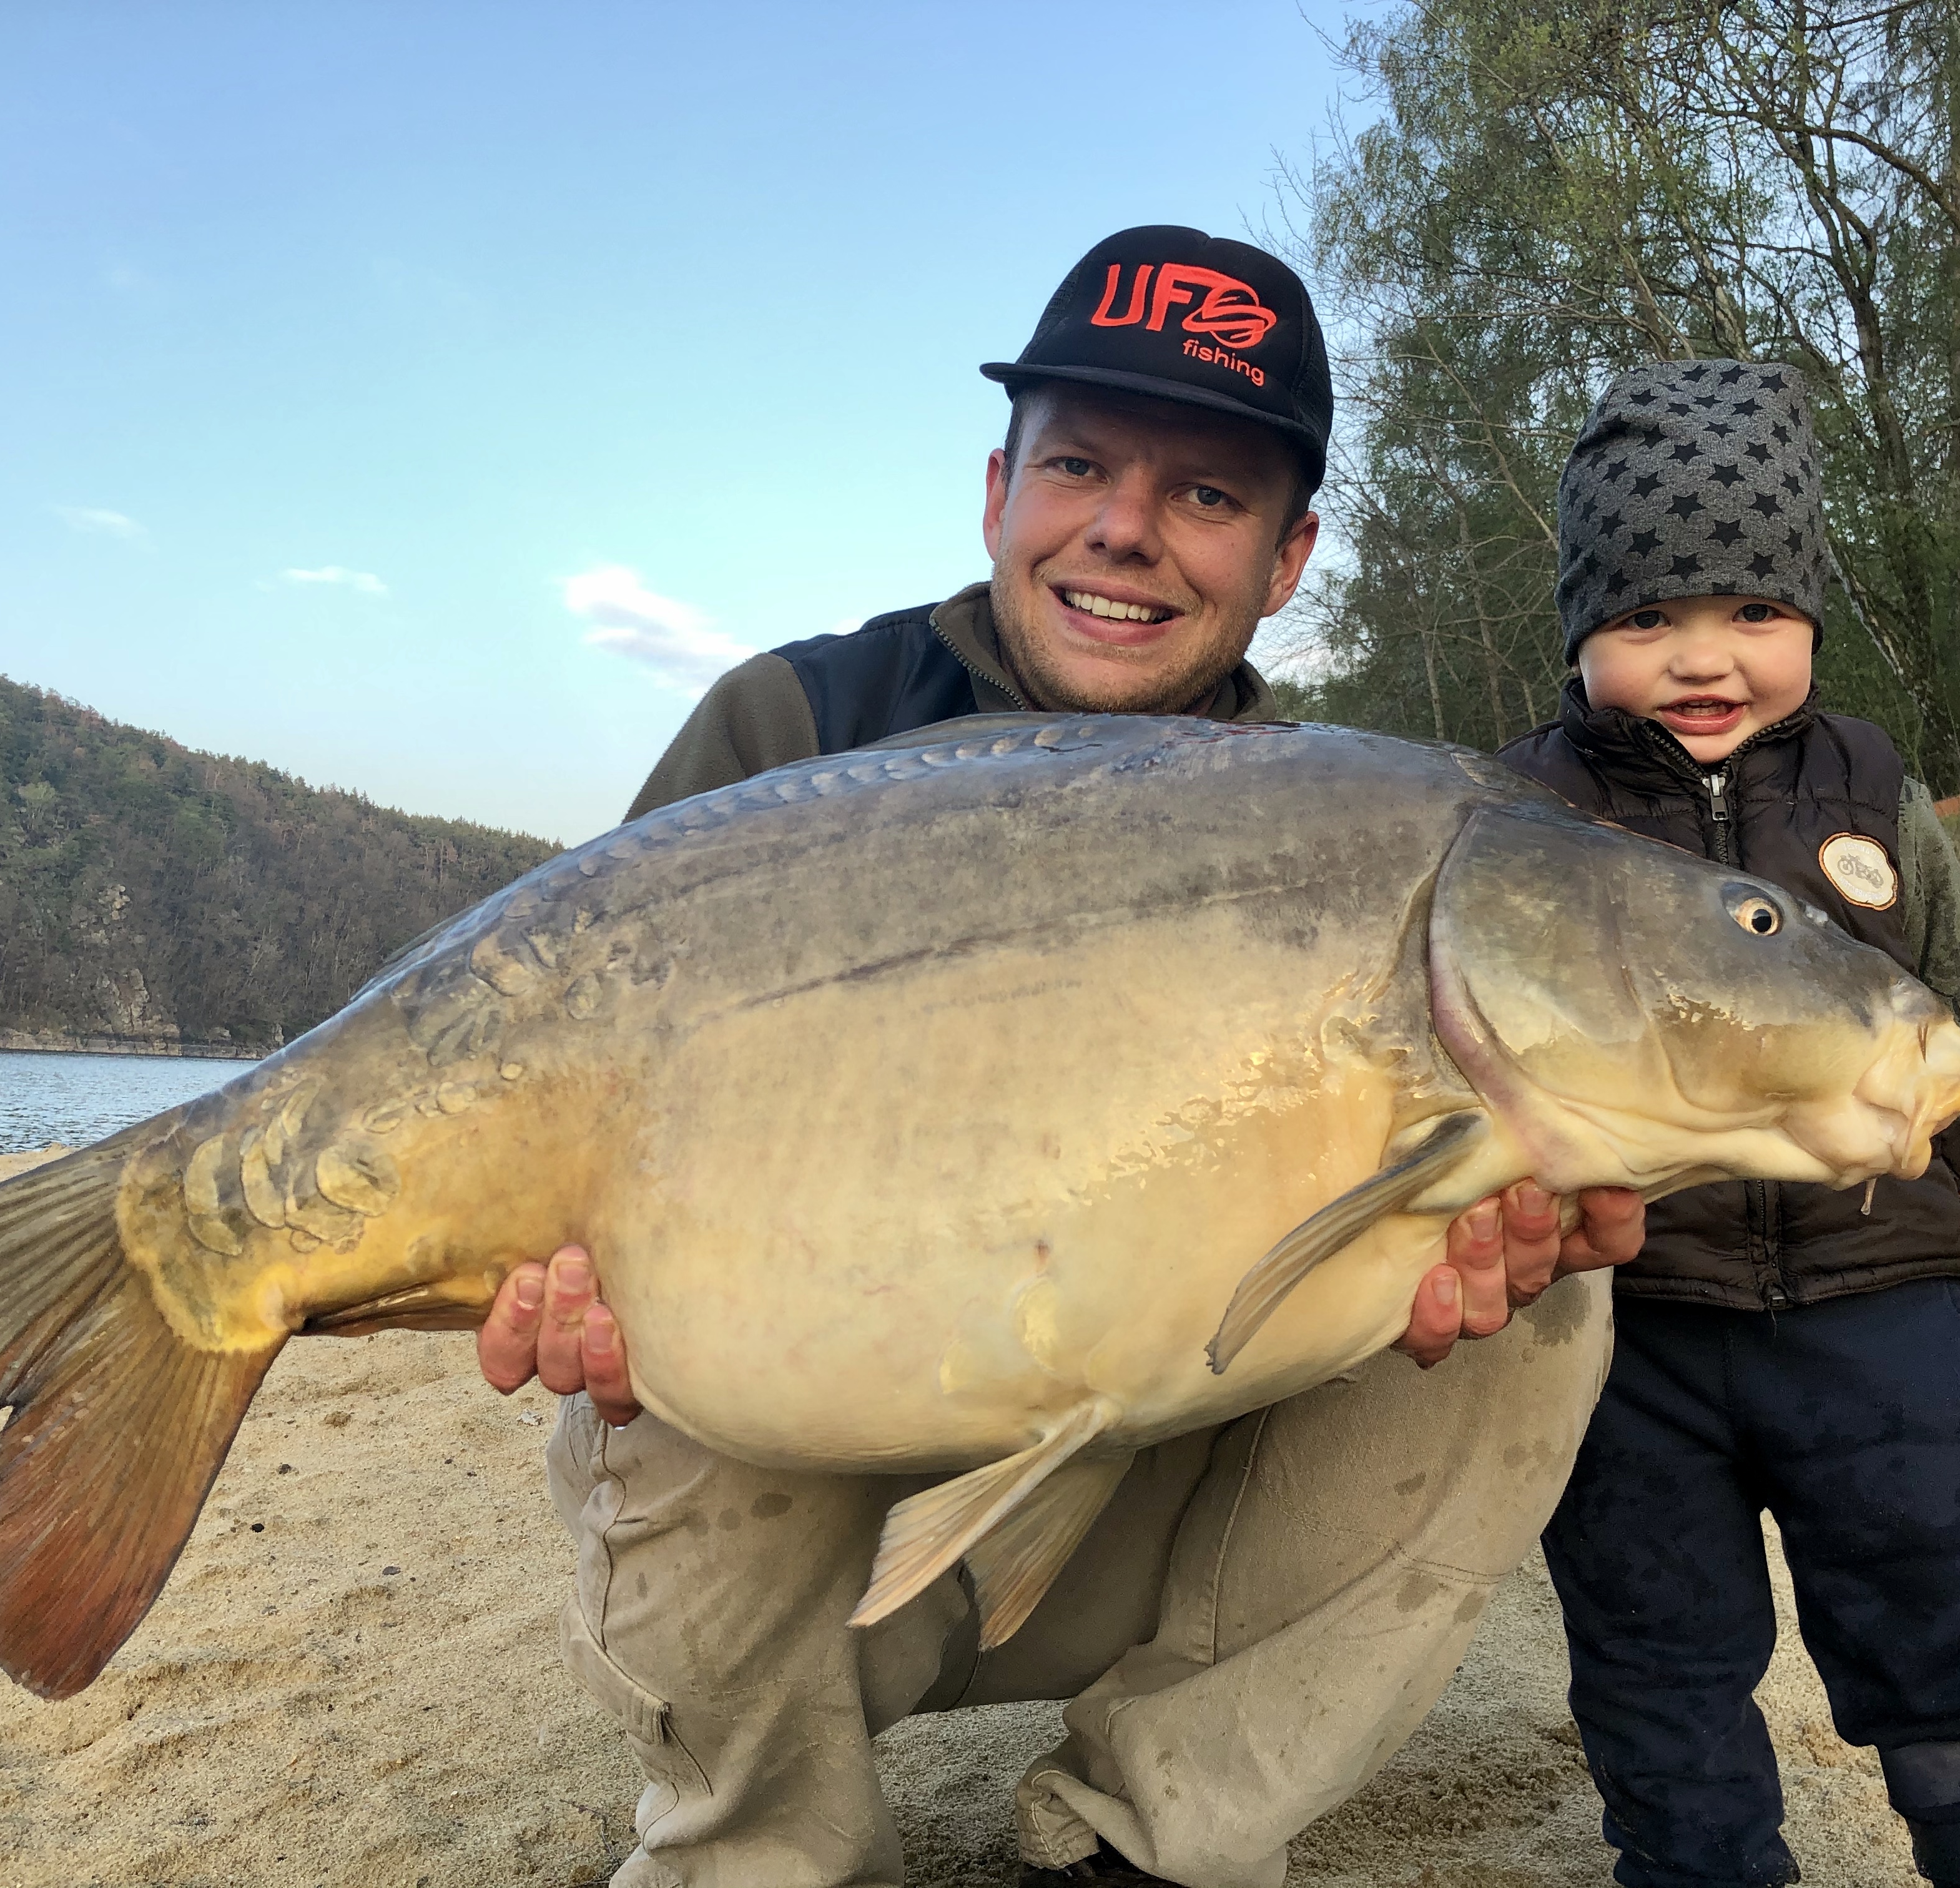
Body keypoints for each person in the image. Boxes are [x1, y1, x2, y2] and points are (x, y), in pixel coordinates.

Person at [474, 226, 1645, 1888]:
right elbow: (562, 1097)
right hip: (807, 1490)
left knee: (1531, 1277)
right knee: (643, 1336)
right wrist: (543, 1263)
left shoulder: (1345, 821)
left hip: (1134, 1496)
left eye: (1207, 496)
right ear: (997, 489)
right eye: (1080, 465)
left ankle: (1148, 1846)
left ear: (1290, 557)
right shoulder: (786, 730)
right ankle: (760, 1848)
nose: (1125, 530)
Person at [1497, 359, 1960, 1888]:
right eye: (1645, 620)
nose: (1703, 659)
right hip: (1627, 1336)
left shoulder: (1876, 796)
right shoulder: (1522, 821)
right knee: (1655, 1665)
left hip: (1889, 1320)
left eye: (1751, 611)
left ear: (1808, 607)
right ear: (1581, 632)